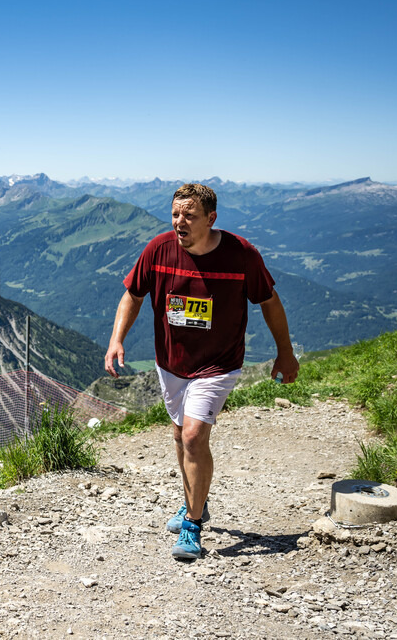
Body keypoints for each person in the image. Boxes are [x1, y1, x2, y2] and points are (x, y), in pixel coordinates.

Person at [104, 183, 299, 560]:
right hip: (171, 363)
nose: (179, 222)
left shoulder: (241, 255)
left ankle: (192, 524)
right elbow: (133, 294)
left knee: (193, 436)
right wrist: (117, 340)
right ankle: (196, 499)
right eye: (175, 214)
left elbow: (269, 300)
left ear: (211, 219)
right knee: (180, 435)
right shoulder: (158, 249)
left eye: (189, 216)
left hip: (218, 364)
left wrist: (285, 352)